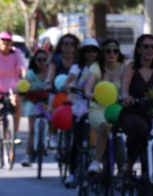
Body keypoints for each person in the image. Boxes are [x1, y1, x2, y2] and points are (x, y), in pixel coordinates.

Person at [119, 34, 153, 177]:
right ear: (139, 49)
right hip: (134, 111)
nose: (150, 50)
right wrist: (125, 96)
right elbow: (125, 85)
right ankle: (129, 161)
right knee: (140, 130)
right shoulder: (132, 67)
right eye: (146, 46)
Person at [62, 38, 101, 187]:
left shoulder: (100, 67)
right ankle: (73, 173)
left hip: (98, 105)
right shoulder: (77, 68)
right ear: (83, 53)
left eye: (94, 50)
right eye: (88, 51)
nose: (91, 54)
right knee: (77, 141)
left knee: (98, 138)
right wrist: (70, 89)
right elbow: (68, 81)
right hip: (80, 105)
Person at [83, 39, 125, 176]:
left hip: (117, 107)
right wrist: (90, 93)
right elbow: (89, 85)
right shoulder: (96, 67)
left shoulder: (126, 66)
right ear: (103, 53)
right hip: (98, 107)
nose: (112, 54)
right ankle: (96, 161)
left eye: (115, 51)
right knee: (104, 127)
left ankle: (123, 170)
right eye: (108, 51)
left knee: (122, 134)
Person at [20, 49, 53, 166]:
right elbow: (25, 84)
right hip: (33, 101)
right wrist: (26, 89)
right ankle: (28, 155)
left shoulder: (51, 72)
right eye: (39, 60)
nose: (42, 62)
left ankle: (52, 139)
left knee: (54, 116)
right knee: (32, 130)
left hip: (48, 102)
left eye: (44, 59)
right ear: (35, 61)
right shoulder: (30, 73)